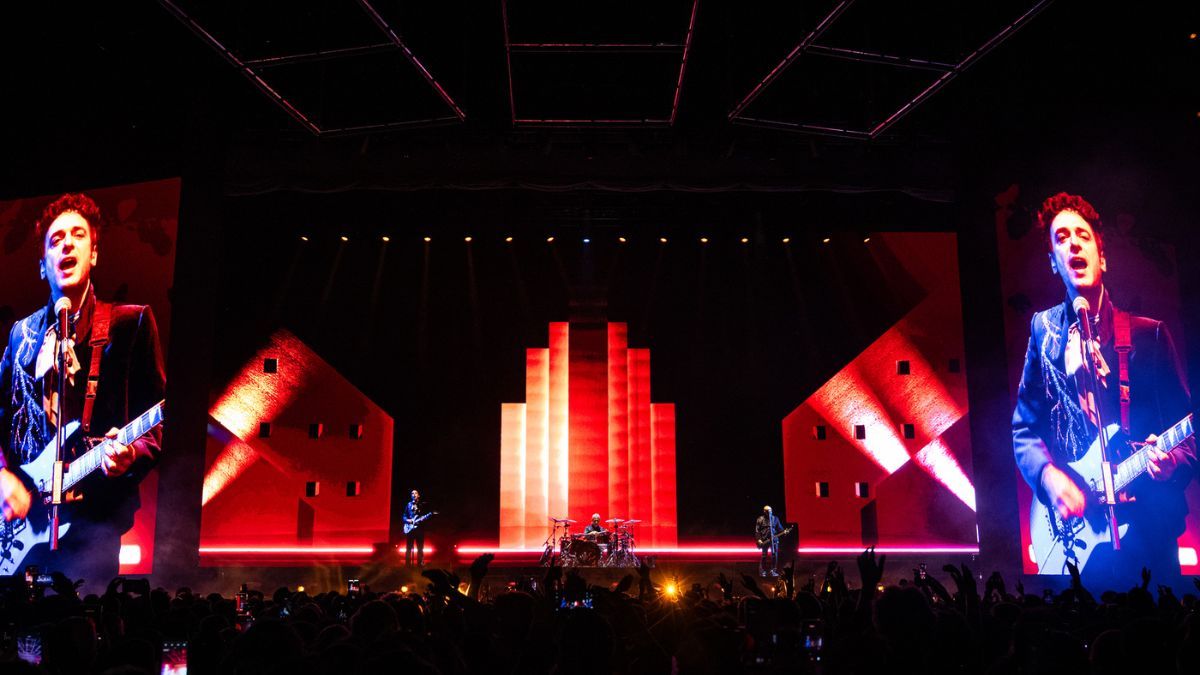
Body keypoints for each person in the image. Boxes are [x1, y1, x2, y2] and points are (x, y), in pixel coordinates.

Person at [1012, 192, 1195, 586]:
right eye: (1062, 238)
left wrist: (1171, 465)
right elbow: (1024, 428)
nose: (1073, 244)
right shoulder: (1043, 331)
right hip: (1077, 538)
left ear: (1102, 257)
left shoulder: (1149, 335)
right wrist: (1048, 477)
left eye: (1083, 235)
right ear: (1053, 261)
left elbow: (1189, 433)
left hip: (1149, 533)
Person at [0, 193, 165, 586]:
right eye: (56, 240)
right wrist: (3, 474)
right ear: (42, 265)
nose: (67, 245)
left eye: (78, 236)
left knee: (82, 618)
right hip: (22, 527)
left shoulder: (131, 324)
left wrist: (131, 454)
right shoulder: (21, 335)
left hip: (95, 523)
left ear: (94, 254)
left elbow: (159, 420)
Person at [755, 505, 784, 577]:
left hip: (774, 540)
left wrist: (784, 531)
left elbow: (780, 529)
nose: (769, 512)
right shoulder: (760, 519)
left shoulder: (775, 519)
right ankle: (763, 571)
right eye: (768, 511)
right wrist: (759, 539)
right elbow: (757, 531)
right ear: (764, 511)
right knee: (764, 556)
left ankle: (773, 571)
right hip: (764, 540)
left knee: (774, 555)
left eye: (770, 510)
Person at [403, 489, 427, 567]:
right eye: (412, 493)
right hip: (410, 529)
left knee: (420, 548)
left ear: (418, 495)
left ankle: (420, 565)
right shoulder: (408, 504)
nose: (413, 494)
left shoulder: (422, 505)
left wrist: (423, 519)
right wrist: (407, 520)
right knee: (408, 548)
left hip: (419, 529)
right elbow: (404, 515)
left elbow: (425, 516)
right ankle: (407, 565)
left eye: (415, 493)